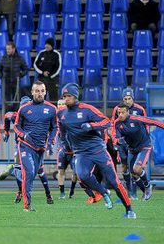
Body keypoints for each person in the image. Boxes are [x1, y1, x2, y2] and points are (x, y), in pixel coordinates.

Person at [57, 83, 136, 218]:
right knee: (83, 176)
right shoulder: (61, 113)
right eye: (64, 96)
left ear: (75, 96)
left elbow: (106, 122)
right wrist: (65, 144)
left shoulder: (87, 109)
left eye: (69, 96)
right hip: (81, 153)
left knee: (114, 181)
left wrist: (91, 126)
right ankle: (104, 192)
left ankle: (129, 209)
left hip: (97, 150)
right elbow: (63, 131)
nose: (66, 99)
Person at [12, 81, 57, 210]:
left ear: (45, 92)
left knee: (35, 173)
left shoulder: (52, 109)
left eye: (42, 91)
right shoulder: (24, 108)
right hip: (25, 146)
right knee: (30, 172)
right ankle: (27, 206)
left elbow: (55, 128)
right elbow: (16, 126)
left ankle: (14, 172)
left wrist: (50, 143)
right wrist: (23, 135)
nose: (40, 93)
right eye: (37, 91)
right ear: (32, 92)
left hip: (40, 148)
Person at [113, 102, 164, 201]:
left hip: (144, 146)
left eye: (123, 113)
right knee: (133, 173)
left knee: (137, 169)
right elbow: (115, 137)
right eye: (119, 113)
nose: (120, 115)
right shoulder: (117, 123)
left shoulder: (136, 119)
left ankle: (147, 186)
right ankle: (144, 191)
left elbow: (153, 122)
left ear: (128, 112)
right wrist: (118, 141)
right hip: (132, 149)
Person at [110, 88, 146, 199]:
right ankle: (129, 192)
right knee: (124, 168)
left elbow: (146, 125)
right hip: (122, 144)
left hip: (136, 144)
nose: (127, 101)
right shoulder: (117, 109)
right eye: (125, 99)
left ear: (133, 98)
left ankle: (139, 191)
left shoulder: (140, 109)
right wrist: (115, 140)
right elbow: (112, 125)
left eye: (129, 98)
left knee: (134, 169)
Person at [56, 98, 79, 199]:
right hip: (63, 151)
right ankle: (62, 192)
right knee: (61, 171)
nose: (60, 106)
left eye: (62, 104)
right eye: (58, 104)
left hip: (74, 151)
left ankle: (72, 190)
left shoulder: (72, 117)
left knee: (76, 173)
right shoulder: (55, 118)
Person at [0, 42, 28, 112]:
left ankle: (16, 118)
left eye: (9, 49)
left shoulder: (20, 58)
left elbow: (25, 69)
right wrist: (1, 77)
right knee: (6, 101)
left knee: (17, 101)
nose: (7, 50)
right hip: (6, 83)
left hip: (16, 83)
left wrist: (20, 75)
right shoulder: (3, 58)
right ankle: (6, 118)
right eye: (7, 49)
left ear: (13, 49)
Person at [33, 37, 61, 101]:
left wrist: (50, 76)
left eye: (48, 44)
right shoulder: (41, 53)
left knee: (54, 97)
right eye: (46, 44)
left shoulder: (57, 54)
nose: (46, 46)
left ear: (52, 46)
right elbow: (35, 65)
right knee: (41, 97)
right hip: (42, 79)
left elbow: (58, 68)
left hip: (52, 79)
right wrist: (42, 73)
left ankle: (54, 110)